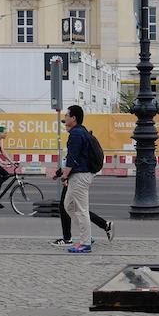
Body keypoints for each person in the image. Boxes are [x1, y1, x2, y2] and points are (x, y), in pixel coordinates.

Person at [61, 105, 96, 254]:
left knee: (81, 210)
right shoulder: (81, 131)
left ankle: (85, 243)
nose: (65, 118)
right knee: (68, 205)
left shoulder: (76, 134)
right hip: (79, 174)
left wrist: (64, 175)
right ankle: (86, 235)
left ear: (73, 118)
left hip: (80, 175)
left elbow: (72, 159)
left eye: (67, 116)